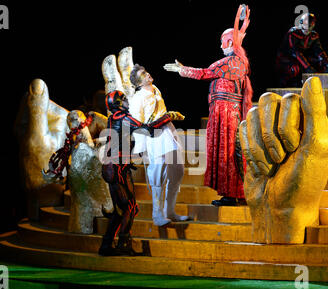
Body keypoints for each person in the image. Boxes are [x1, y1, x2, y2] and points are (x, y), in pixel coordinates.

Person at [163, 4, 253, 206]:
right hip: (228, 113)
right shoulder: (238, 62)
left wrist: (182, 70)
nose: (221, 46)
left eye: (224, 42)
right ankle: (235, 193)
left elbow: (204, 73)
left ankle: (233, 194)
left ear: (229, 42)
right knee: (231, 153)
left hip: (226, 115)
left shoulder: (230, 63)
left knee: (228, 153)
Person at [99, 90, 184, 256]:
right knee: (130, 207)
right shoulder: (125, 118)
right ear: (117, 103)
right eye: (123, 99)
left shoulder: (112, 118)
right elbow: (149, 129)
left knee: (121, 209)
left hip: (110, 166)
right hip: (118, 168)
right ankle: (123, 245)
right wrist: (168, 117)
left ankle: (106, 245)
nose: (126, 101)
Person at [129, 64, 190, 225]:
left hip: (168, 132)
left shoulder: (155, 89)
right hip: (154, 136)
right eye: (143, 74)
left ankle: (170, 211)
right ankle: (157, 215)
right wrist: (142, 148)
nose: (148, 74)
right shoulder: (138, 97)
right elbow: (137, 123)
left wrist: (170, 116)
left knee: (177, 170)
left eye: (146, 71)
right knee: (158, 173)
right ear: (138, 83)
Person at [275, 12, 328, 87]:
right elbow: (296, 52)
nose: (307, 30)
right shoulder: (293, 33)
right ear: (301, 23)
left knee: (320, 64)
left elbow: (320, 52)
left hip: (301, 59)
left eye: (309, 26)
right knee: (295, 69)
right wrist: (308, 67)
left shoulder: (313, 35)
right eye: (305, 26)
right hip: (286, 59)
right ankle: (289, 84)